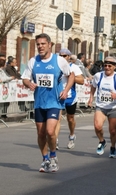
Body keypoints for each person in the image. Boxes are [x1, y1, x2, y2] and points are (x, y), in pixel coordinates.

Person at [21, 33, 74, 172]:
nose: (40, 46)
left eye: (43, 44)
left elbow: (71, 75)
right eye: (38, 44)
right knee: (40, 133)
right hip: (39, 103)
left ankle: (53, 156)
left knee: (50, 132)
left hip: (54, 102)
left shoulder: (59, 60)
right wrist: (29, 84)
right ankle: (45, 159)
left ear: (50, 45)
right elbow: (25, 78)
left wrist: (66, 89)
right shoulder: (33, 61)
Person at [88, 56, 116, 158]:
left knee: (112, 131)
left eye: (110, 66)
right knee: (97, 126)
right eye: (105, 65)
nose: (107, 68)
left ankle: (113, 147)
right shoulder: (98, 76)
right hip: (101, 106)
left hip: (113, 107)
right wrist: (91, 98)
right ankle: (102, 141)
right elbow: (93, 86)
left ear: (114, 67)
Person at [55, 49, 84, 149]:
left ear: (69, 57)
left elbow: (81, 80)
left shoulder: (73, 67)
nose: (62, 58)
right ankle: (55, 140)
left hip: (70, 97)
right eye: (61, 56)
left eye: (65, 56)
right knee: (57, 119)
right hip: (58, 96)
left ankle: (72, 136)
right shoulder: (56, 66)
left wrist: (70, 77)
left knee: (70, 118)